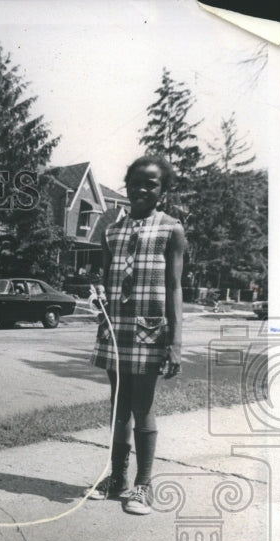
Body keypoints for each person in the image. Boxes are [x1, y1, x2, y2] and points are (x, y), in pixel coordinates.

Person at [87, 156, 185, 515]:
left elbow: (174, 287)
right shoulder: (111, 231)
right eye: (137, 182)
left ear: (163, 190)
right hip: (116, 329)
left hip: (150, 330)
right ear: (126, 185)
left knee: (142, 407)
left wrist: (175, 342)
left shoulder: (171, 229)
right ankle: (117, 479)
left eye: (152, 184)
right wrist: (97, 292)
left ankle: (143, 485)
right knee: (118, 407)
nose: (143, 189)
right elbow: (105, 278)